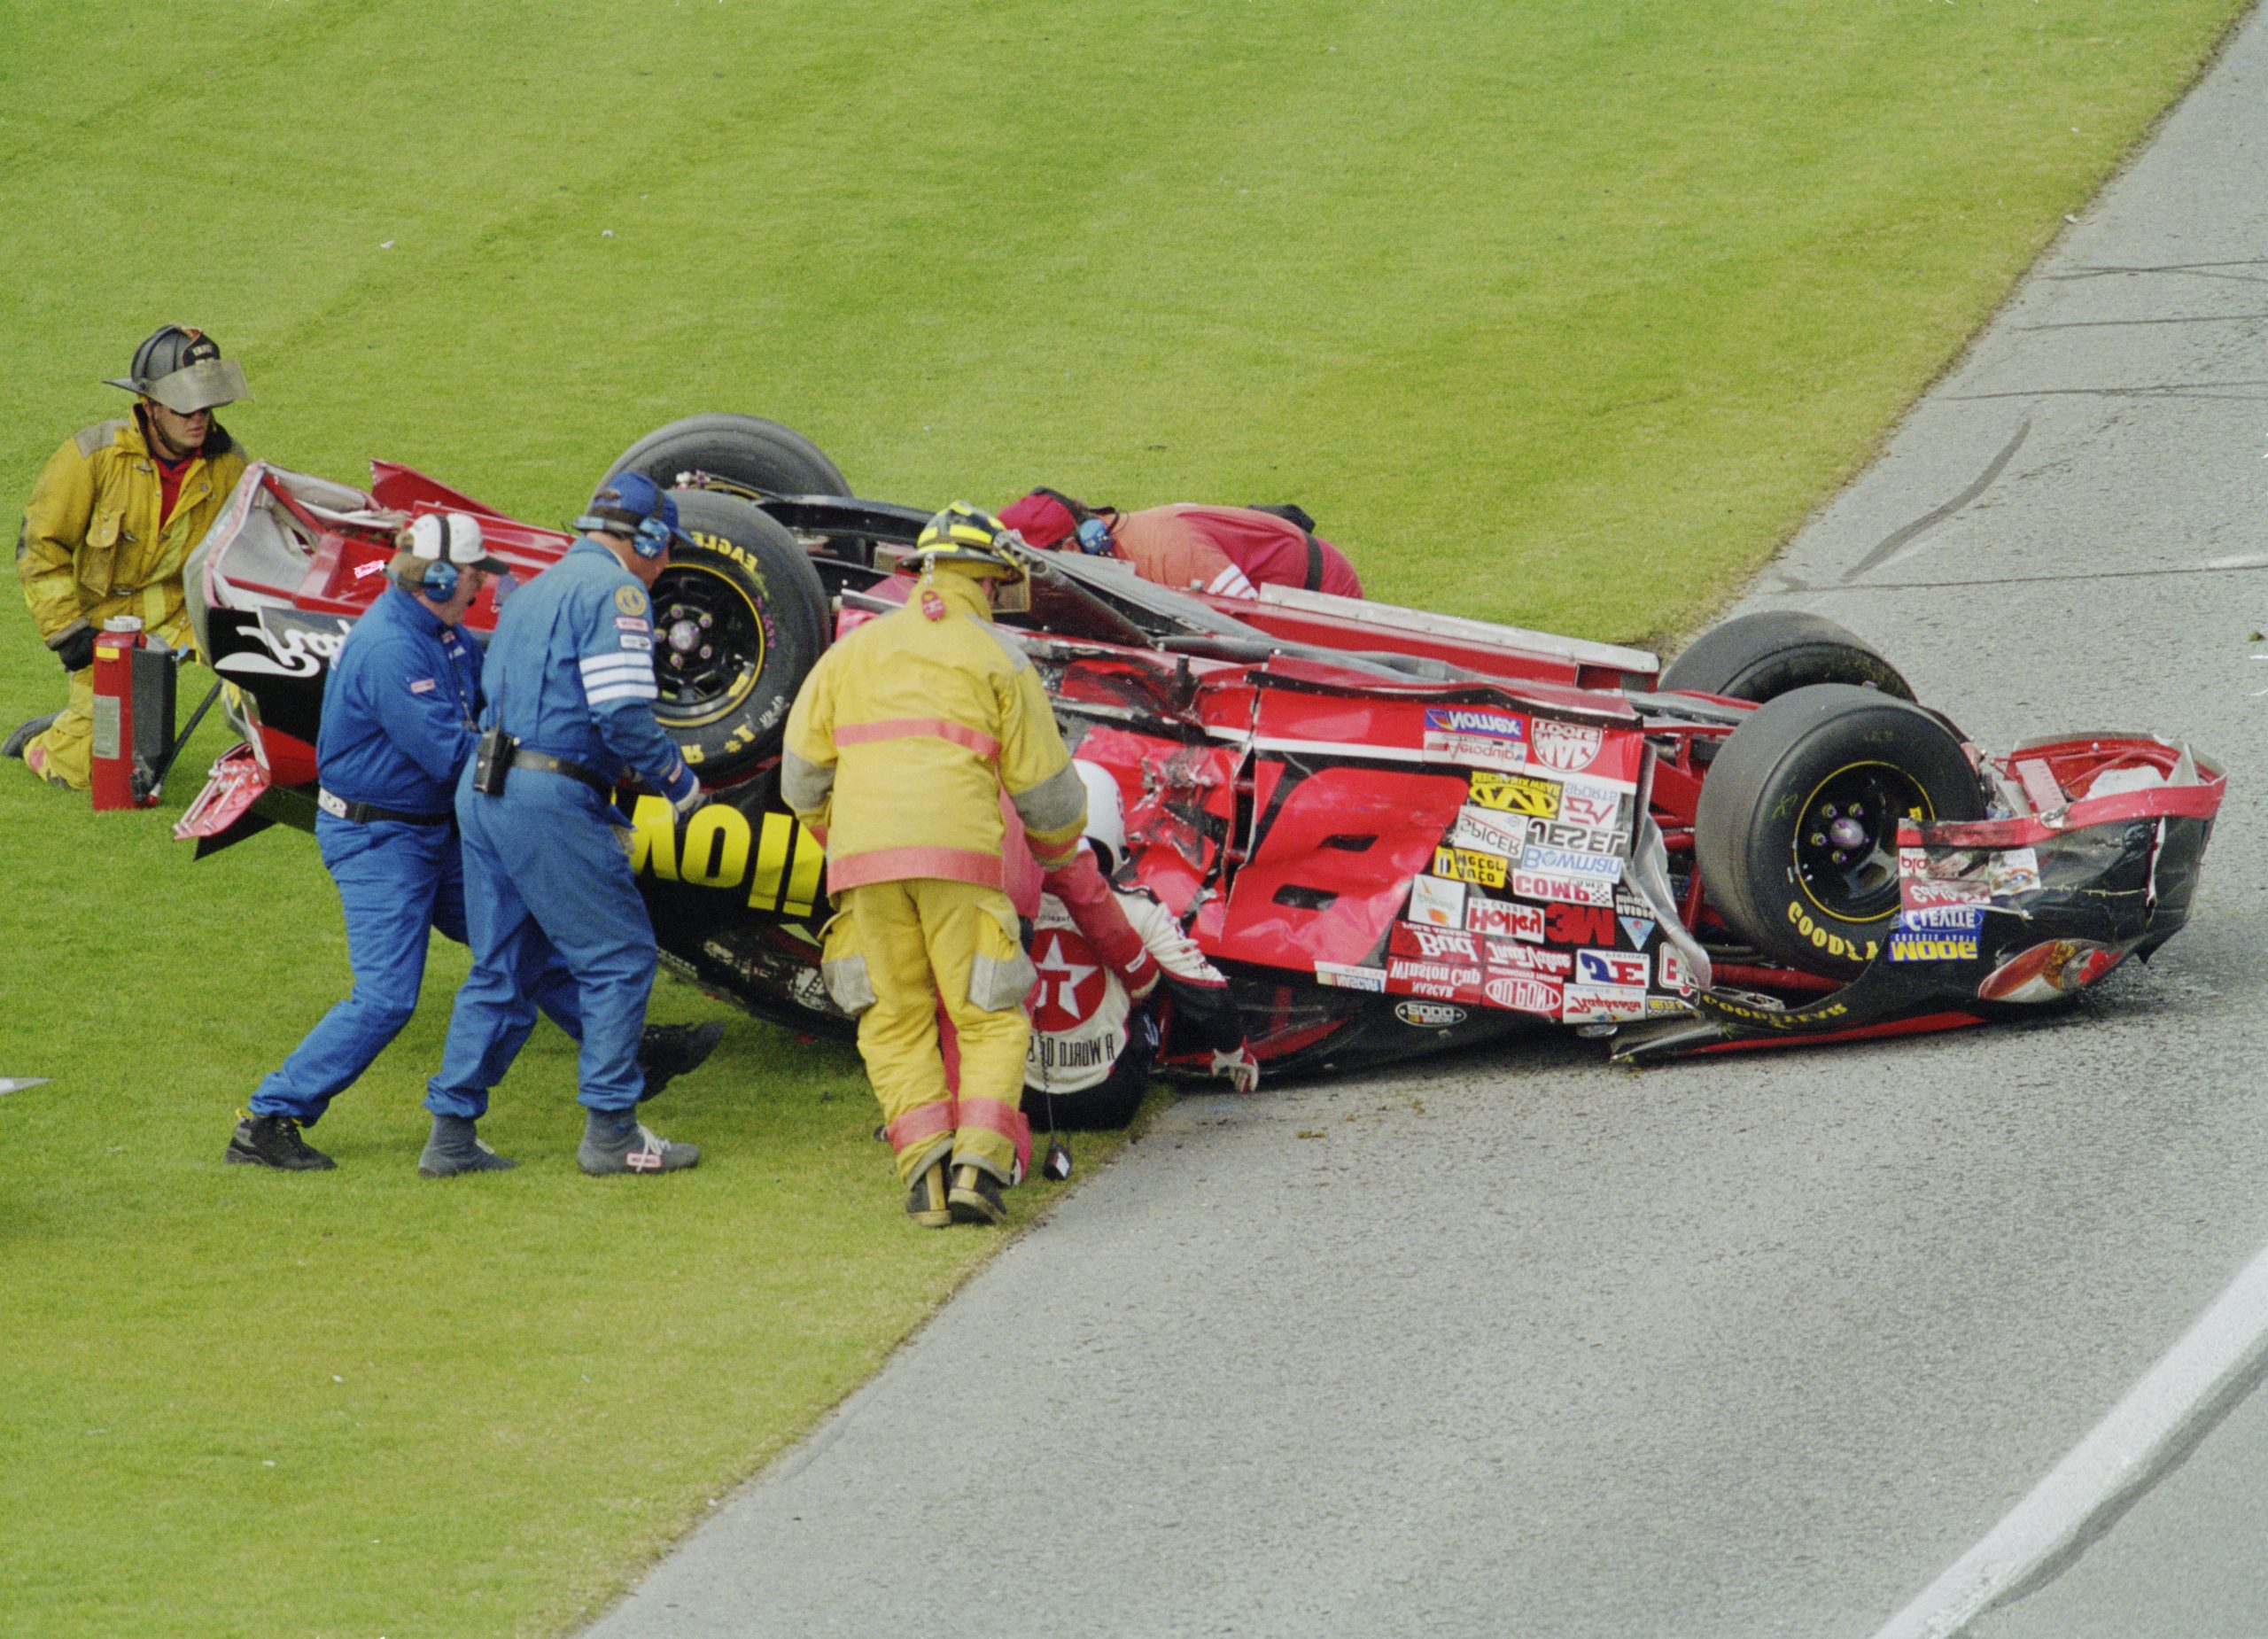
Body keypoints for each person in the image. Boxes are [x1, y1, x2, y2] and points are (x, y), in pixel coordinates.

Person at [224, 514, 724, 1171]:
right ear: (434, 577)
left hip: (434, 829)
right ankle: (268, 1118)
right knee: (387, 997)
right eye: (473, 574)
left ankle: (620, 1055)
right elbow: (454, 754)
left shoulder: (446, 635)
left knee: (521, 950)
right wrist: (553, 767)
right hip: (380, 840)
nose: (483, 584)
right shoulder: (390, 650)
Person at [782, 502, 1088, 1227]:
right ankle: (979, 1170)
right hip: (959, 861)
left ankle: (924, 1177)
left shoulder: (851, 652)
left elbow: (800, 783)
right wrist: (1056, 853)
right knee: (987, 1015)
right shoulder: (997, 657)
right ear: (990, 579)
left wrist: (847, 830)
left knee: (893, 1020)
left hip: (862, 865)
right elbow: (1049, 797)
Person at [421, 474, 709, 1177]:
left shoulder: (533, 589)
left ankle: (452, 1134)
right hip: (548, 798)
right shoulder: (617, 592)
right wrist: (678, 780)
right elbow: (621, 714)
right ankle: (613, 1133)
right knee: (619, 956)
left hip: (485, 789)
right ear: (643, 538)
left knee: (503, 967)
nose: (666, 563)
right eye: (665, 548)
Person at [8, 326, 252, 788]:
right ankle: (41, 744)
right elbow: (41, 546)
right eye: (185, 405)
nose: (199, 417)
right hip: (111, 624)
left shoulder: (230, 465)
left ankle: (272, 778)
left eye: (207, 403)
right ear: (150, 405)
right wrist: (68, 631)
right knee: (89, 772)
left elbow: (251, 549)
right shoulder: (92, 456)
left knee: (264, 675)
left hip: (189, 614)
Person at [998, 487, 1363, 602]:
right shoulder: (1118, 545)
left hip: (1322, 590)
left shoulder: (1169, 552)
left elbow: (1248, 621)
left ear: (1074, 548)